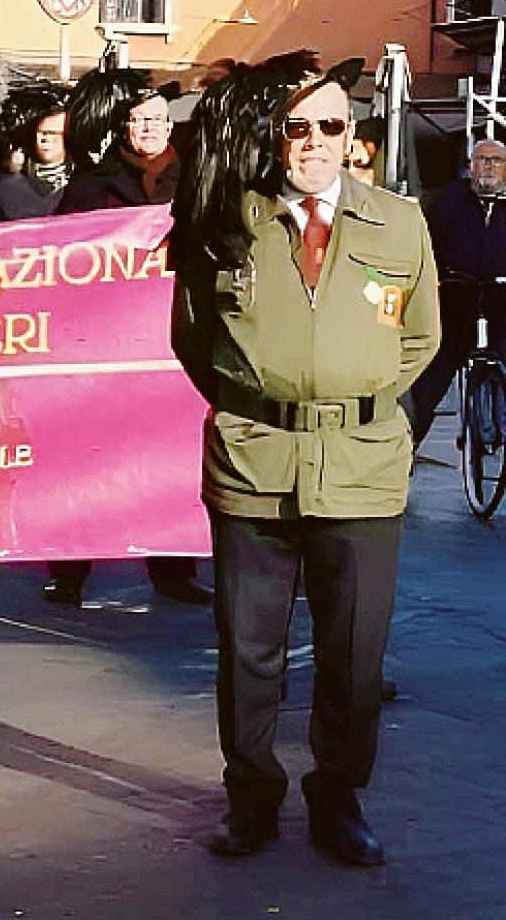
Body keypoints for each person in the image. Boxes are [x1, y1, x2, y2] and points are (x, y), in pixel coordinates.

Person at [170, 53, 438, 866]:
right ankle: (250, 795)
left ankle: (339, 795)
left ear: (351, 136)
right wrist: (268, 401)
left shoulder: (400, 221)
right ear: (271, 136)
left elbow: (421, 336)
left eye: (330, 124)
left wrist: (345, 398)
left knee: (353, 650)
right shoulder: (227, 220)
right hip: (255, 465)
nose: (313, 141)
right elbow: (192, 340)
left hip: (362, 469)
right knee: (247, 649)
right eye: (296, 126)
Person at [41, 67, 212, 607]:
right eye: (140, 121)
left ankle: (173, 566)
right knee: (85, 455)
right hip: (101, 342)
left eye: (159, 120)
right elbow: (58, 253)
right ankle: (69, 568)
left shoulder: (196, 180)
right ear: (123, 127)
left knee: (173, 455)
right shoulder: (88, 188)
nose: (150, 129)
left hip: (171, 339)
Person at [405, 138, 506, 450]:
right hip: (455, 303)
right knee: (429, 380)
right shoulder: (446, 201)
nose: (488, 166)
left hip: (501, 304)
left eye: (496, 160)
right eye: (481, 160)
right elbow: (422, 248)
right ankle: (403, 449)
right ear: (470, 166)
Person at [0, 80, 71, 228]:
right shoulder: (1, 186)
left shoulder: (81, 185)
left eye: (54, 133)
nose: (45, 139)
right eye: (40, 133)